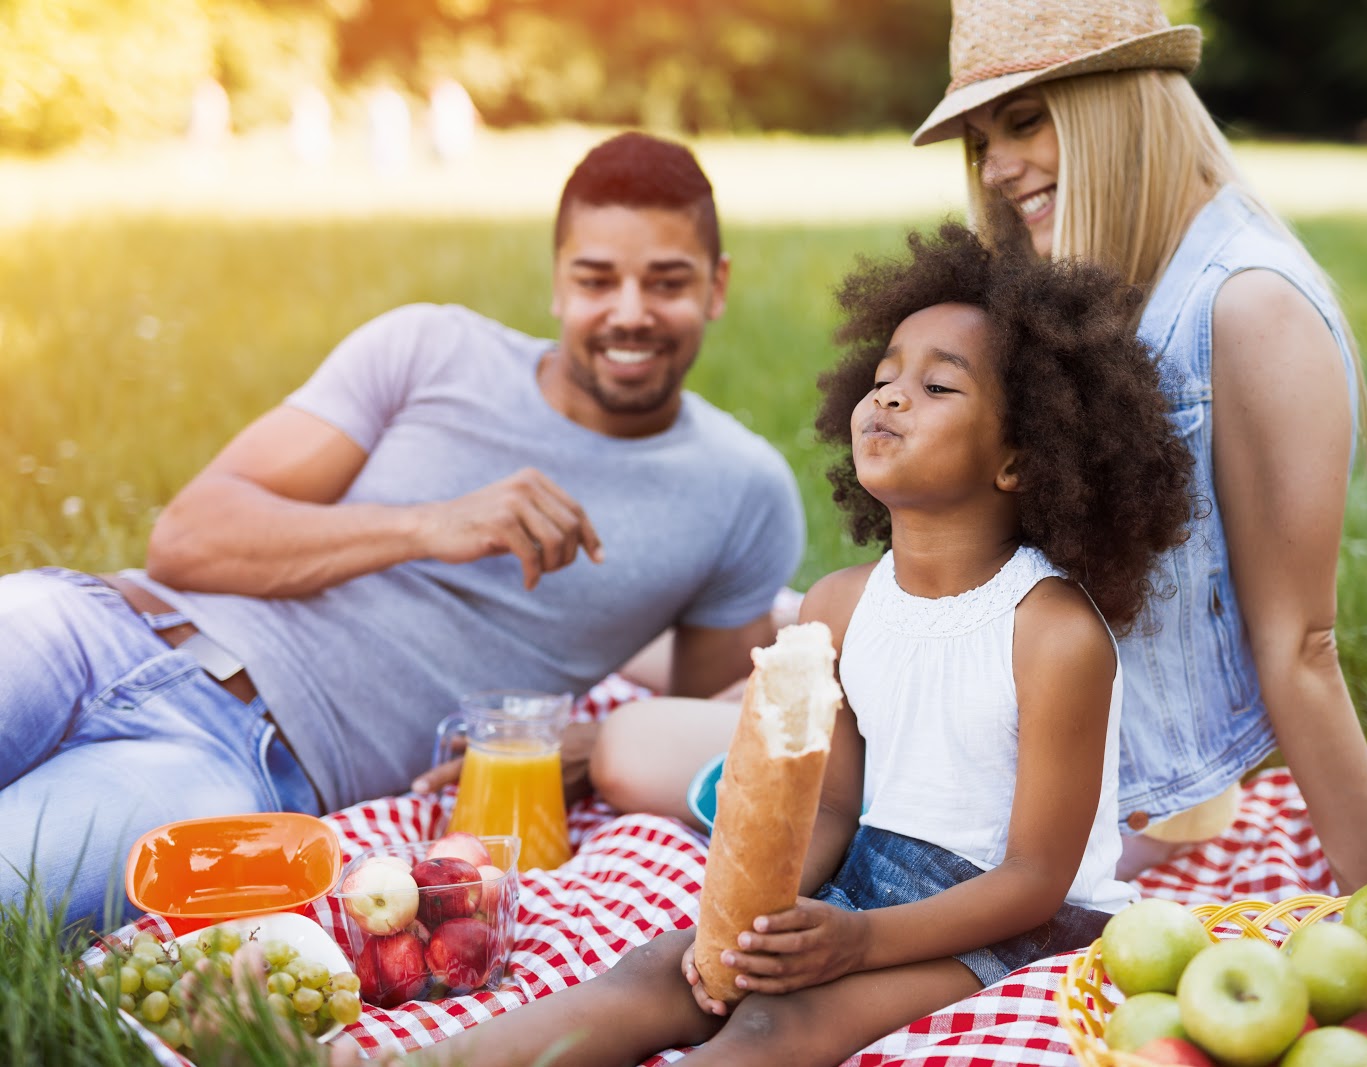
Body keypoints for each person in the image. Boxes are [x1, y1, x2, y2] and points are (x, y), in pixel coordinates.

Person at [296, 221, 1191, 1067]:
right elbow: (831, 808)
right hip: (874, 877)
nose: (889, 395)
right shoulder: (840, 606)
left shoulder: (1053, 632)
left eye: (938, 386)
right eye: (884, 375)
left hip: (1011, 919)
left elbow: (1038, 877)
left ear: (1023, 459)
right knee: (661, 965)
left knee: (771, 1025)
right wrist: (752, 919)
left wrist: (859, 940)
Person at [0, 132, 805, 932]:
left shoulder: (743, 491)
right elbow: (185, 539)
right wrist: (428, 526)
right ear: (558, 283)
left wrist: (593, 742)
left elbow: (705, 721)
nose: (629, 314)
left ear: (717, 285)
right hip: (96, 629)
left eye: (666, 282)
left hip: (241, 766)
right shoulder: (431, 349)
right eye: (597, 279)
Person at [907, 0, 1367, 889]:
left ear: (1122, 106)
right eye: (983, 138)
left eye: (1026, 120)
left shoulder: (1250, 306)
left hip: (1115, 795)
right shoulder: (1104, 277)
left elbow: (1300, 645)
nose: (997, 168)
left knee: (664, 751)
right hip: (1015, 737)